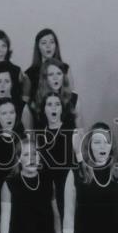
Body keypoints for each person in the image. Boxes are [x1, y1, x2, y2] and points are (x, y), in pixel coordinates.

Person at [34, 91, 78, 220]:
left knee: (68, 218)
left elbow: (80, 160)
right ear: (44, 109)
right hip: (45, 182)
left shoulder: (71, 129)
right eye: (49, 104)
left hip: (67, 181)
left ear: (62, 109)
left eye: (57, 104)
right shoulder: (38, 131)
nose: (54, 107)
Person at [25, 28, 73, 98]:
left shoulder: (65, 68)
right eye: (44, 43)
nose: (48, 46)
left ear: (56, 45)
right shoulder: (29, 74)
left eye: (51, 42)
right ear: (38, 47)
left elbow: (71, 96)